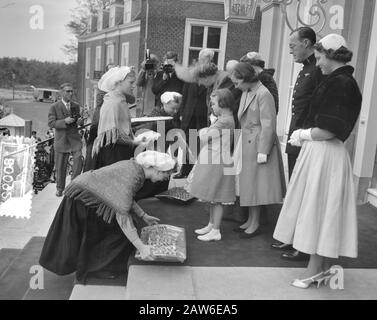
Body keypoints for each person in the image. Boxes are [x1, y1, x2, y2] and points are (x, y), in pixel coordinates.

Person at [273, 34, 362, 289]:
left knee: (318, 212)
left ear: (332, 56)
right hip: (322, 154)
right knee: (318, 211)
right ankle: (320, 270)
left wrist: (303, 134)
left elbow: (331, 129)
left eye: (321, 57)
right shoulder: (337, 80)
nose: (318, 62)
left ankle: (314, 271)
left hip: (325, 153)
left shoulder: (341, 83)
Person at [39, 150, 176, 281]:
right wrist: (141, 247)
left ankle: (100, 266)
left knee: (120, 228)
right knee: (117, 232)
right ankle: (99, 269)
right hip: (82, 200)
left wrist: (143, 215)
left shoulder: (136, 169)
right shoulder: (133, 175)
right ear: (158, 170)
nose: (164, 179)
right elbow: (122, 215)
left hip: (86, 195)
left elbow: (125, 198)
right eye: (165, 175)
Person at [272, 27, 323, 261]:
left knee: (303, 194)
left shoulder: (317, 71)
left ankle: (302, 245)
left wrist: (302, 136)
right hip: (296, 138)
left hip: (305, 141)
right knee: (295, 191)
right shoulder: (306, 70)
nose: (290, 50)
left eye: (293, 46)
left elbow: (314, 110)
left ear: (305, 43)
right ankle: (292, 237)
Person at [231, 62, 286, 238]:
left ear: (246, 78)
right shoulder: (248, 91)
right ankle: (250, 220)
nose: (235, 86)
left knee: (256, 186)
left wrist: (263, 150)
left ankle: (255, 223)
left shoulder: (264, 94)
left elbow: (269, 123)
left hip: (258, 145)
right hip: (247, 143)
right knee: (249, 185)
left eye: (237, 82)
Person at [187, 89, 236, 241]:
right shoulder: (223, 119)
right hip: (216, 157)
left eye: (214, 104)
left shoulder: (224, 121)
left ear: (223, 103)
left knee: (217, 196)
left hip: (218, 160)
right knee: (213, 195)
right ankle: (211, 224)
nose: (212, 107)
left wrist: (204, 131)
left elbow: (205, 137)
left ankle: (216, 230)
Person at [174, 49, 215, 179]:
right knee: (187, 142)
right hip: (189, 113)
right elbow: (185, 93)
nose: (204, 61)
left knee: (200, 144)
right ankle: (185, 170)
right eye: (203, 58)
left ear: (211, 60)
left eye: (207, 58)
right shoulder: (191, 73)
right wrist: (181, 112)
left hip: (203, 114)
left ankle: (199, 172)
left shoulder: (213, 74)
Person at [92, 66, 141, 169]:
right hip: (112, 154)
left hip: (119, 152)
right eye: (131, 83)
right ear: (119, 82)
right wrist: (135, 142)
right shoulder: (113, 103)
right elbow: (112, 136)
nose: (133, 86)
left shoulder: (120, 99)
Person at [48, 83, 85, 197]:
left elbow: (79, 120)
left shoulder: (76, 105)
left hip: (74, 139)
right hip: (61, 140)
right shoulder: (54, 107)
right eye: (67, 91)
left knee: (78, 159)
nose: (70, 93)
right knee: (60, 166)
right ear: (61, 93)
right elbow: (51, 123)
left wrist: (80, 121)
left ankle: (73, 186)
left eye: (71, 91)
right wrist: (64, 121)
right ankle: (60, 188)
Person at [83, 63, 116, 172]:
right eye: (110, 70)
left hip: (106, 120)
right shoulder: (104, 86)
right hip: (100, 121)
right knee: (93, 144)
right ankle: (90, 169)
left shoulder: (114, 86)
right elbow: (101, 104)